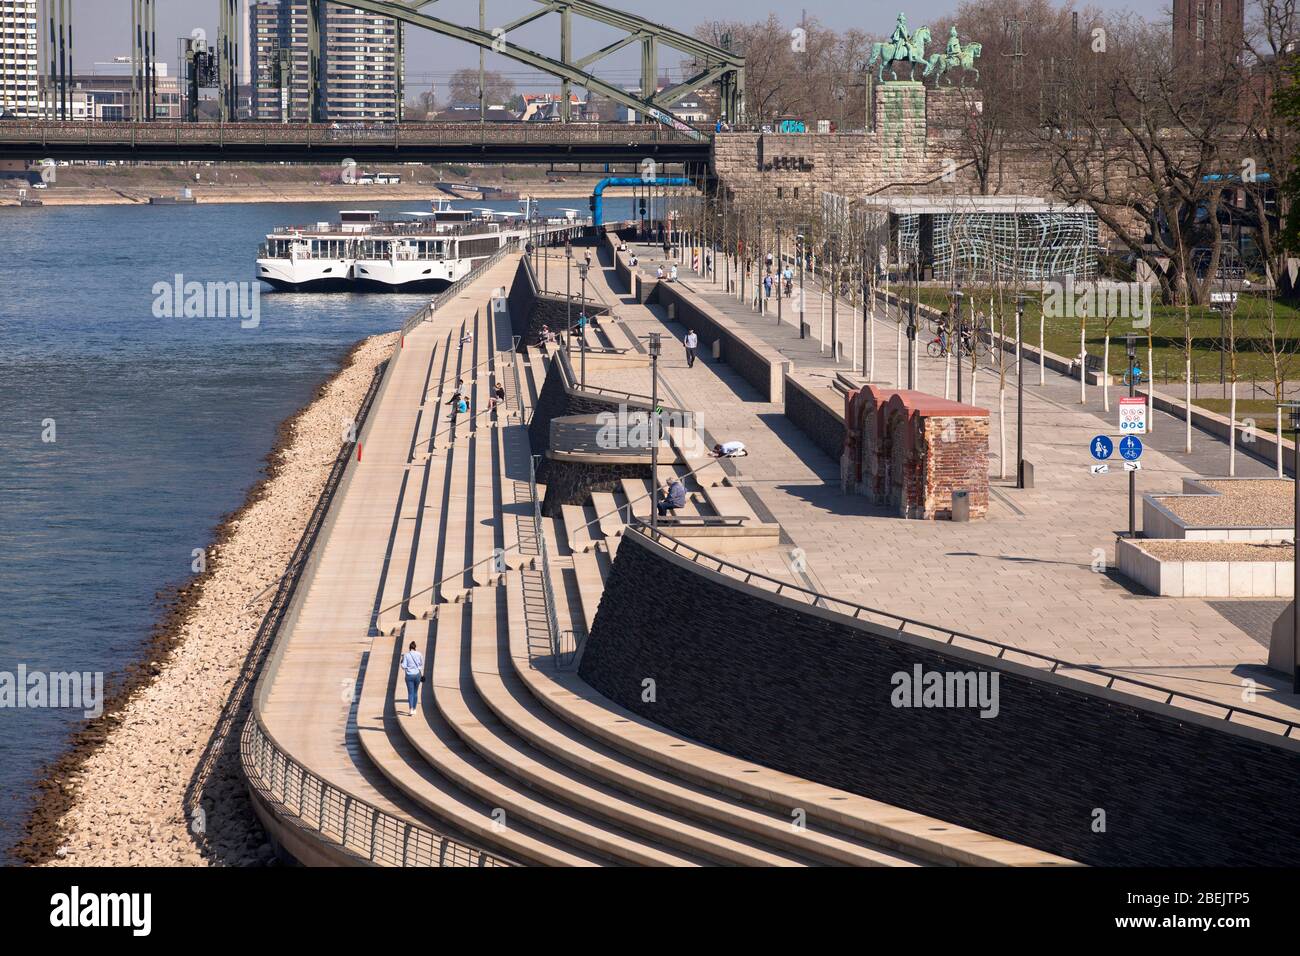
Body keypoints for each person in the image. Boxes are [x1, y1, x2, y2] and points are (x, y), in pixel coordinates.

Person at [400, 641, 424, 717]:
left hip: (409, 675)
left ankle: (410, 709)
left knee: (410, 693)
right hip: (417, 675)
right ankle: (414, 708)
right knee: (415, 692)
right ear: (415, 647)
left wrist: (402, 660)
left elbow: (403, 666)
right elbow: (421, 664)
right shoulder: (419, 654)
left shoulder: (406, 655)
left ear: (409, 648)